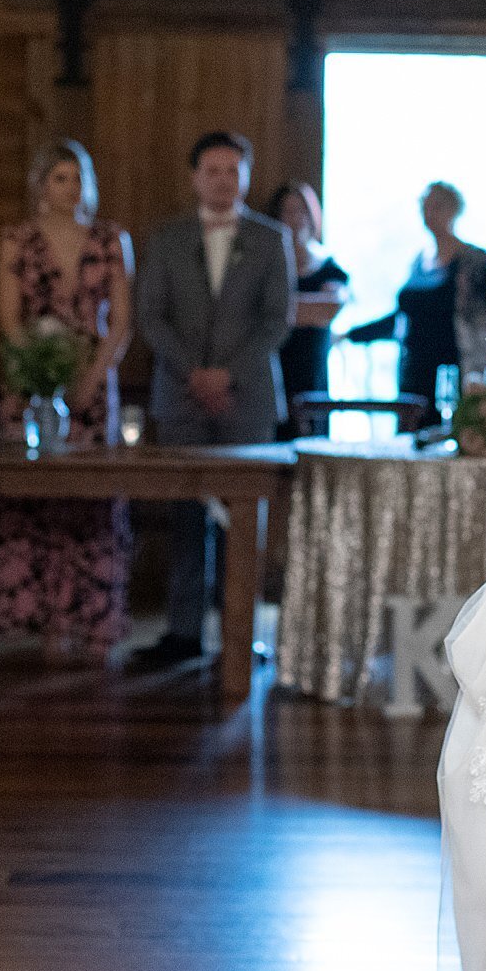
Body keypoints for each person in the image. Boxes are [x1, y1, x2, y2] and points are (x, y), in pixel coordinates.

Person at [130, 131, 293, 670]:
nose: (223, 180)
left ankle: (240, 636)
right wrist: (195, 375)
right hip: (180, 397)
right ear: (195, 177)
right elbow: (150, 316)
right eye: (212, 171)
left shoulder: (271, 239)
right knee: (185, 519)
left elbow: (277, 320)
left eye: (233, 171)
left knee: (242, 524)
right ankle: (181, 633)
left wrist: (226, 375)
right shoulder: (166, 238)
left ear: (245, 177)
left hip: (247, 399)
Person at [0, 141, 135, 665]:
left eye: (77, 178)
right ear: (41, 185)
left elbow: (121, 322)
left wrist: (93, 376)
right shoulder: (17, 240)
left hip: (92, 383)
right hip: (32, 382)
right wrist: (38, 375)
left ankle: (89, 617)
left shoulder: (110, 239)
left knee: (91, 496)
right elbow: (9, 318)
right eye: (58, 178)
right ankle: (39, 619)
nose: (69, 188)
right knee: (32, 495)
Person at [343, 181, 486, 416]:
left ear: (454, 210)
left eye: (437, 207)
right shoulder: (418, 263)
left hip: (454, 373)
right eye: (426, 206)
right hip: (413, 373)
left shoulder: (475, 263)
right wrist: (352, 334)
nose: (430, 213)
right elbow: (403, 319)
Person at [263, 180, 349, 424]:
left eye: (300, 210)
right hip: (272, 373)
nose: (294, 218)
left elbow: (329, 308)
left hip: (312, 375)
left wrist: (275, 309)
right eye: (287, 211)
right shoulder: (264, 268)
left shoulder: (328, 267)